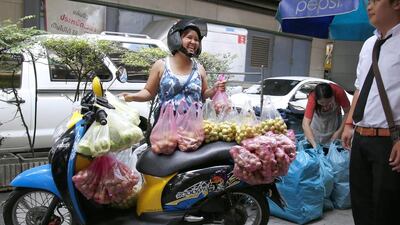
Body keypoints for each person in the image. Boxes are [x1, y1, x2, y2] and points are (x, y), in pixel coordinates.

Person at [341, 1, 400, 225]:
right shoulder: (368, 44)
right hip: (361, 138)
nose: (369, 5)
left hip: (390, 142)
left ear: (396, 4)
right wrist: (348, 124)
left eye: (376, 0)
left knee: (387, 210)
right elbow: (359, 87)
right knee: (361, 205)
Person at [119, 18, 225, 119]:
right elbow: (149, 92)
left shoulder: (200, 69)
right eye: (189, 37)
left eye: (196, 39)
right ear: (177, 38)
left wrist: (214, 89)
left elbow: (204, 94)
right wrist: (132, 96)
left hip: (192, 129)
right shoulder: (161, 65)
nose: (193, 42)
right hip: (165, 128)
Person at [302, 82, 350, 148]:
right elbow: (305, 124)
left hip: (333, 122)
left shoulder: (339, 92)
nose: (325, 106)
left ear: (332, 96)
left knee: (334, 147)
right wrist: (314, 144)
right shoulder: (313, 96)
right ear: (317, 100)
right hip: (317, 125)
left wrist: (339, 131)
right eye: (322, 103)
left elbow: (348, 112)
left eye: (328, 102)